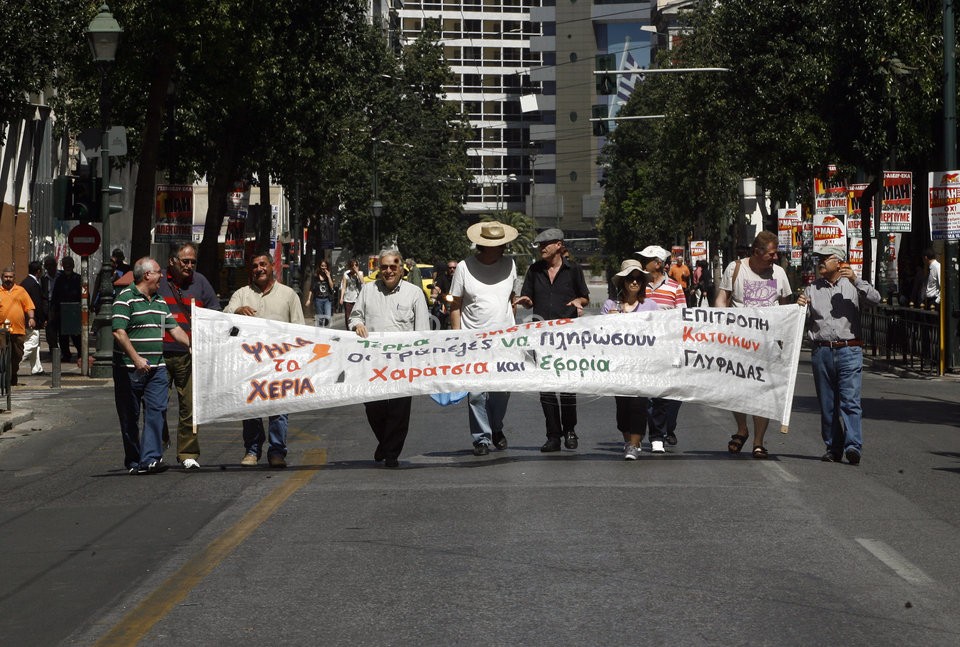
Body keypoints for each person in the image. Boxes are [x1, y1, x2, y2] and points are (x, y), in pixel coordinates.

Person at [796, 245, 880, 465]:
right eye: (819, 258)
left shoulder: (853, 286)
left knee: (850, 401)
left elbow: (875, 300)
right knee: (827, 404)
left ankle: (853, 446)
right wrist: (800, 307)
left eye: (825, 258)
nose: (820, 262)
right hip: (822, 351)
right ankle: (833, 447)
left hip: (848, 350)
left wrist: (857, 281)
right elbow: (801, 321)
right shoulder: (811, 289)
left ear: (839, 262)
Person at [348, 249, 430, 468]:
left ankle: (391, 452)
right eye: (384, 266)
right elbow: (355, 315)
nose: (389, 270)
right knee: (373, 407)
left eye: (393, 266)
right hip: (372, 361)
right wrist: (357, 324)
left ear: (401, 268)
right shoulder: (367, 290)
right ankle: (385, 442)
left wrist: (421, 361)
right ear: (378, 269)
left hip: (403, 363)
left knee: (399, 410)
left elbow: (422, 330)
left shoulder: (414, 293)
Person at [715, 231, 793, 459]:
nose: (775, 257)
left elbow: (785, 307)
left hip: (767, 345)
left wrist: (784, 337)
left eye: (776, 253)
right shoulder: (736, 268)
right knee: (737, 391)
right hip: (738, 342)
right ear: (757, 252)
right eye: (771, 253)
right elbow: (722, 298)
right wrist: (721, 321)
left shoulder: (779, 273)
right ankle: (742, 428)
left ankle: (758, 442)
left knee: (763, 393)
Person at [225, 252, 305, 467]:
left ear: (272, 267)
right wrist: (236, 312)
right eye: (254, 266)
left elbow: (300, 331)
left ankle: (277, 451)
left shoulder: (289, 295)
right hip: (249, 365)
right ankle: (252, 450)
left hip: (279, 365)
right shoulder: (241, 295)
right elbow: (223, 319)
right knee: (250, 409)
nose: (259, 268)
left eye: (263, 264)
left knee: (278, 410)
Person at [112, 257, 191, 474]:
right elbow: (119, 332)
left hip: (157, 368)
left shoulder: (159, 301)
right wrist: (136, 359)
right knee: (130, 417)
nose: (162, 276)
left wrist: (191, 345)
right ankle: (134, 460)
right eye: (158, 272)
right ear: (147, 275)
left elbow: (173, 329)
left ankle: (150, 459)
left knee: (157, 410)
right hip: (128, 369)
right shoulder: (125, 299)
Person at [514, 228, 590, 452]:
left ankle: (570, 431)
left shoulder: (573, 269)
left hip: (567, 337)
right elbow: (528, 298)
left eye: (546, 244)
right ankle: (553, 435)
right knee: (546, 387)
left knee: (567, 385)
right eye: (539, 245)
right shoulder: (535, 270)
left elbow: (585, 296)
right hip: (541, 337)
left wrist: (578, 302)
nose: (542, 248)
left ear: (559, 245)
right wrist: (526, 301)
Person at [449, 221, 518, 456]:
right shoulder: (463, 268)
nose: (502, 247)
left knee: (502, 390)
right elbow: (455, 304)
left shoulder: (510, 265)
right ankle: (481, 438)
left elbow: (511, 298)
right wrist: (458, 337)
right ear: (483, 245)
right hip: (474, 341)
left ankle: (496, 428)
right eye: (497, 244)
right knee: (477, 392)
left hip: (504, 340)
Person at [157, 242, 220, 470]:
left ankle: (188, 453)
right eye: (185, 261)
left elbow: (214, 312)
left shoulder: (200, 282)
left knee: (190, 407)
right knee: (157, 405)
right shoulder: (158, 280)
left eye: (193, 261)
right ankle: (157, 446)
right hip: (160, 354)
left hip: (190, 355)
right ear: (172, 261)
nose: (190, 266)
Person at [600, 259, 665, 460]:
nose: (634, 282)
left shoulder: (651, 305)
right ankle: (629, 441)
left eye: (638, 279)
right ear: (623, 282)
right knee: (622, 409)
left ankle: (634, 444)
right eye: (630, 278)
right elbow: (598, 335)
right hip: (618, 366)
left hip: (642, 365)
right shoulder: (610, 305)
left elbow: (661, 333)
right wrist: (608, 321)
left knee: (639, 405)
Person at [636, 244, 685, 451]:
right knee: (645, 394)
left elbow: (683, 317)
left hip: (667, 348)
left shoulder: (675, 288)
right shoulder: (638, 286)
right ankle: (657, 433)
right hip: (642, 350)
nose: (642, 263)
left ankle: (665, 428)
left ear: (657, 263)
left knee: (667, 395)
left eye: (645, 260)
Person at [0, 266, 36, 386]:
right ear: (2, 278)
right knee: (3, 353)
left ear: (14, 278)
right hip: (2, 330)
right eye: (6, 277)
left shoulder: (21, 291)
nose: (8, 279)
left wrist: (31, 318)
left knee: (17, 355)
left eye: (10, 277)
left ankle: (13, 374)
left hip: (18, 330)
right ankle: (4, 378)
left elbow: (29, 306)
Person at [51, 256, 82, 363]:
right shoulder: (59, 279)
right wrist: (54, 309)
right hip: (62, 311)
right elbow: (55, 295)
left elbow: (84, 294)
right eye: (65, 265)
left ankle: (81, 354)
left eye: (69, 265)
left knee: (76, 335)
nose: (67, 267)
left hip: (75, 311)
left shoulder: (78, 278)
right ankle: (66, 354)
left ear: (73, 265)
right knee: (62, 336)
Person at [19, 261, 45, 376]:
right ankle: (13, 361)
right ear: (38, 271)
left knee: (36, 344)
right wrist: (42, 318)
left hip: (24, 318)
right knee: (33, 342)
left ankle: (37, 368)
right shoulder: (33, 285)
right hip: (30, 319)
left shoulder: (24, 282)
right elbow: (37, 304)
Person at [431, 259, 458, 330]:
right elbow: (436, 289)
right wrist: (435, 292)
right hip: (445, 302)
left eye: (454, 268)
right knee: (438, 312)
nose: (452, 269)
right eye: (450, 268)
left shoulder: (460, 278)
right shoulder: (442, 278)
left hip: (458, 303)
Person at [307, 259, 335, 327]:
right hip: (318, 299)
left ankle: (326, 330)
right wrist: (308, 299)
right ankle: (321, 332)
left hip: (327, 299)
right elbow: (311, 288)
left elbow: (332, 287)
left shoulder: (329, 275)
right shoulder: (315, 276)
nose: (324, 268)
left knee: (328, 317)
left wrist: (328, 277)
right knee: (320, 319)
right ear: (319, 266)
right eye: (322, 266)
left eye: (325, 266)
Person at [339, 258, 364, 323]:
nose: (355, 267)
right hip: (348, 299)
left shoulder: (360, 273)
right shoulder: (346, 274)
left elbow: (362, 282)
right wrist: (341, 297)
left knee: (357, 316)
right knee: (348, 316)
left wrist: (357, 272)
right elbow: (344, 286)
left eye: (356, 265)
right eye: (353, 265)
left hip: (357, 299)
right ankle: (348, 330)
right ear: (350, 267)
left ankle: (355, 328)